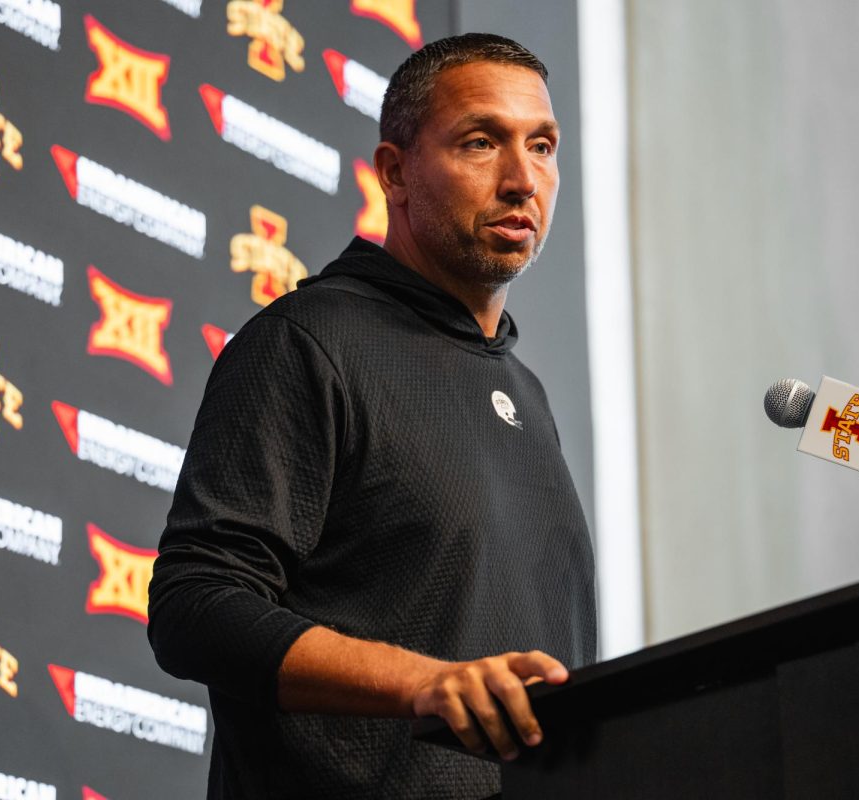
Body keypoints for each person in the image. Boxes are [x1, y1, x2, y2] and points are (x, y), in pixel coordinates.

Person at [148, 32, 596, 800]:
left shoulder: (528, 394)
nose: (524, 179)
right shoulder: (307, 342)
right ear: (395, 173)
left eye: (544, 146)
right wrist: (422, 684)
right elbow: (195, 606)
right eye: (482, 142)